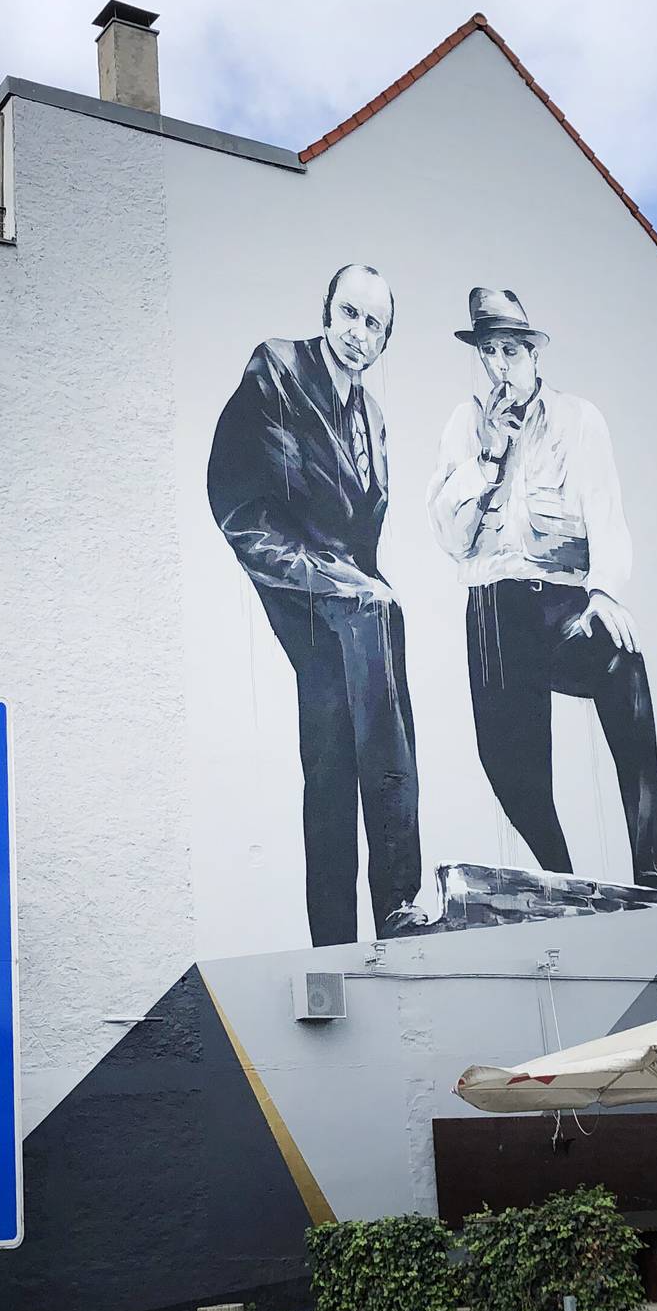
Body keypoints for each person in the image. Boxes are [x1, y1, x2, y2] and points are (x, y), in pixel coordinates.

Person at [207, 264, 427, 945]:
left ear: (386, 340)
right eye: (351, 314)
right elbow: (237, 500)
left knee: (331, 759)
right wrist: (343, 586)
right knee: (375, 618)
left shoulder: (375, 419)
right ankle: (398, 900)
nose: (359, 334)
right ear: (327, 309)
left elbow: (364, 534)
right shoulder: (276, 366)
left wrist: (365, 588)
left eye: (375, 325)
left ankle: (336, 942)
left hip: (348, 597)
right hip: (289, 569)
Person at [427, 287, 657, 901]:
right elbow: (452, 539)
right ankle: (561, 876)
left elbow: (607, 514)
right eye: (489, 352)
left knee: (627, 672)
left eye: (510, 350)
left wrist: (606, 592)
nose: (499, 364)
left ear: (533, 353)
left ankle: (652, 875)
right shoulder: (465, 424)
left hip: (562, 600)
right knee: (508, 758)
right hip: (493, 605)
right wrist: (489, 458)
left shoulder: (578, 419)